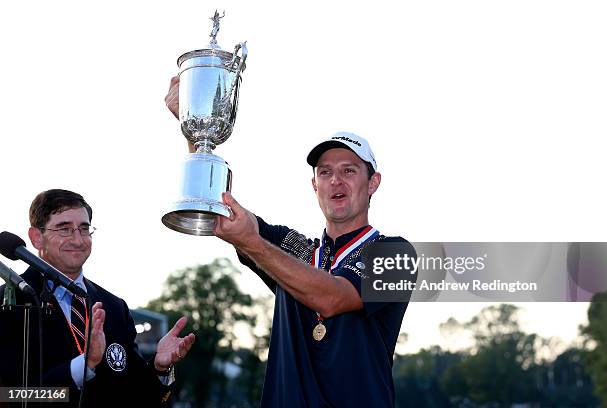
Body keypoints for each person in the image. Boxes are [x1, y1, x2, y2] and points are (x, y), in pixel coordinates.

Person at [165, 78, 418, 407]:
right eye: (325, 172)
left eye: (349, 170)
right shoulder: (296, 249)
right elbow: (221, 210)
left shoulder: (396, 254)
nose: (336, 181)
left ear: (373, 183)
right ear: (314, 185)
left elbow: (332, 298)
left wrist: (254, 245)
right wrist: (196, 134)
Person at [0, 189, 196, 408]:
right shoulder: (10, 302)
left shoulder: (114, 307)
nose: (78, 239)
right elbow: (9, 396)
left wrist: (159, 367)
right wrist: (83, 366)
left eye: (84, 229)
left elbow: (136, 397)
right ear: (36, 237)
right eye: (65, 229)